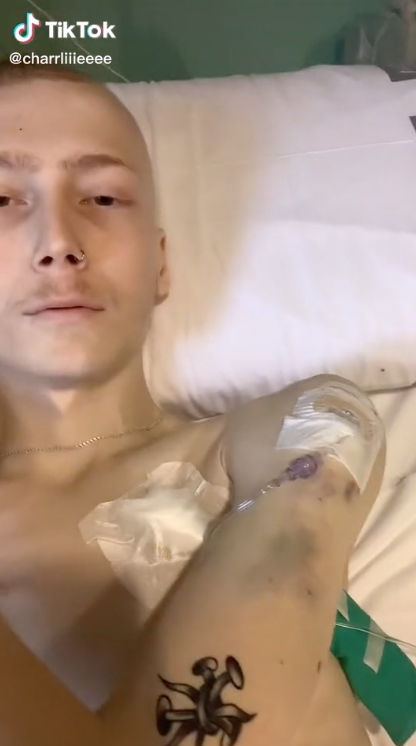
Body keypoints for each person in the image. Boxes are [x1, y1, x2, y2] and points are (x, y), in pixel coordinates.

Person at [0, 59, 386, 746]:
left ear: (161, 263)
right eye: (2, 200)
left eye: (103, 198)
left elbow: (324, 467)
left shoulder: (297, 432)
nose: (58, 243)